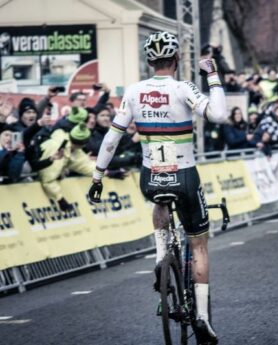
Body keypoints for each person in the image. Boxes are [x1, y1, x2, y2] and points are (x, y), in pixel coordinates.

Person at [87, 31, 227, 344]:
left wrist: (97, 177)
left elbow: (111, 139)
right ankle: (202, 317)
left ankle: (160, 257)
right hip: (185, 176)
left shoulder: (134, 92)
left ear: (150, 62)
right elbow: (218, 114)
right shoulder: (183, 87)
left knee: (159, 204)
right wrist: (214, 77)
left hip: (150, 178)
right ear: (176, 60)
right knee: (199, 246)